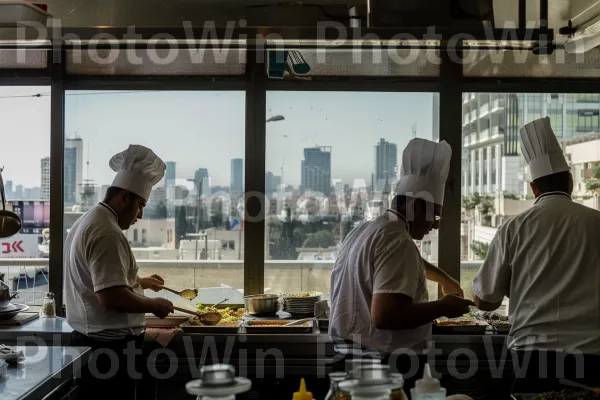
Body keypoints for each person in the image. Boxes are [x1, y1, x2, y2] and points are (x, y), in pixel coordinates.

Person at [328, 138, 473, 388]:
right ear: (416, 206)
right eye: (435, 215)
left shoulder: (370, 229)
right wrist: (443, 306)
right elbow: (385, 316)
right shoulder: (398, 240)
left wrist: (442, 278)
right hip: (384, 368)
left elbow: (393, 265)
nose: (436, 224)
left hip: (350, 358)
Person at [472, 117, 600, 394]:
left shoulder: (513, 227)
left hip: (530, 356)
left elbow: (484, 300)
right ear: (571, 181)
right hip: (592, 357)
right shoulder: (596, 222)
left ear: (533, 188)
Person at [64, 144, 174, 399]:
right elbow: (110, 297)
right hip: (107, 351)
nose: (140, 215)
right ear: (124, 197)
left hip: (90, 346)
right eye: (140, 205)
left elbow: (96, 279)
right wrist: (152, 304)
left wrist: (139, 282)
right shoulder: (107, 233)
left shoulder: (90, 219)